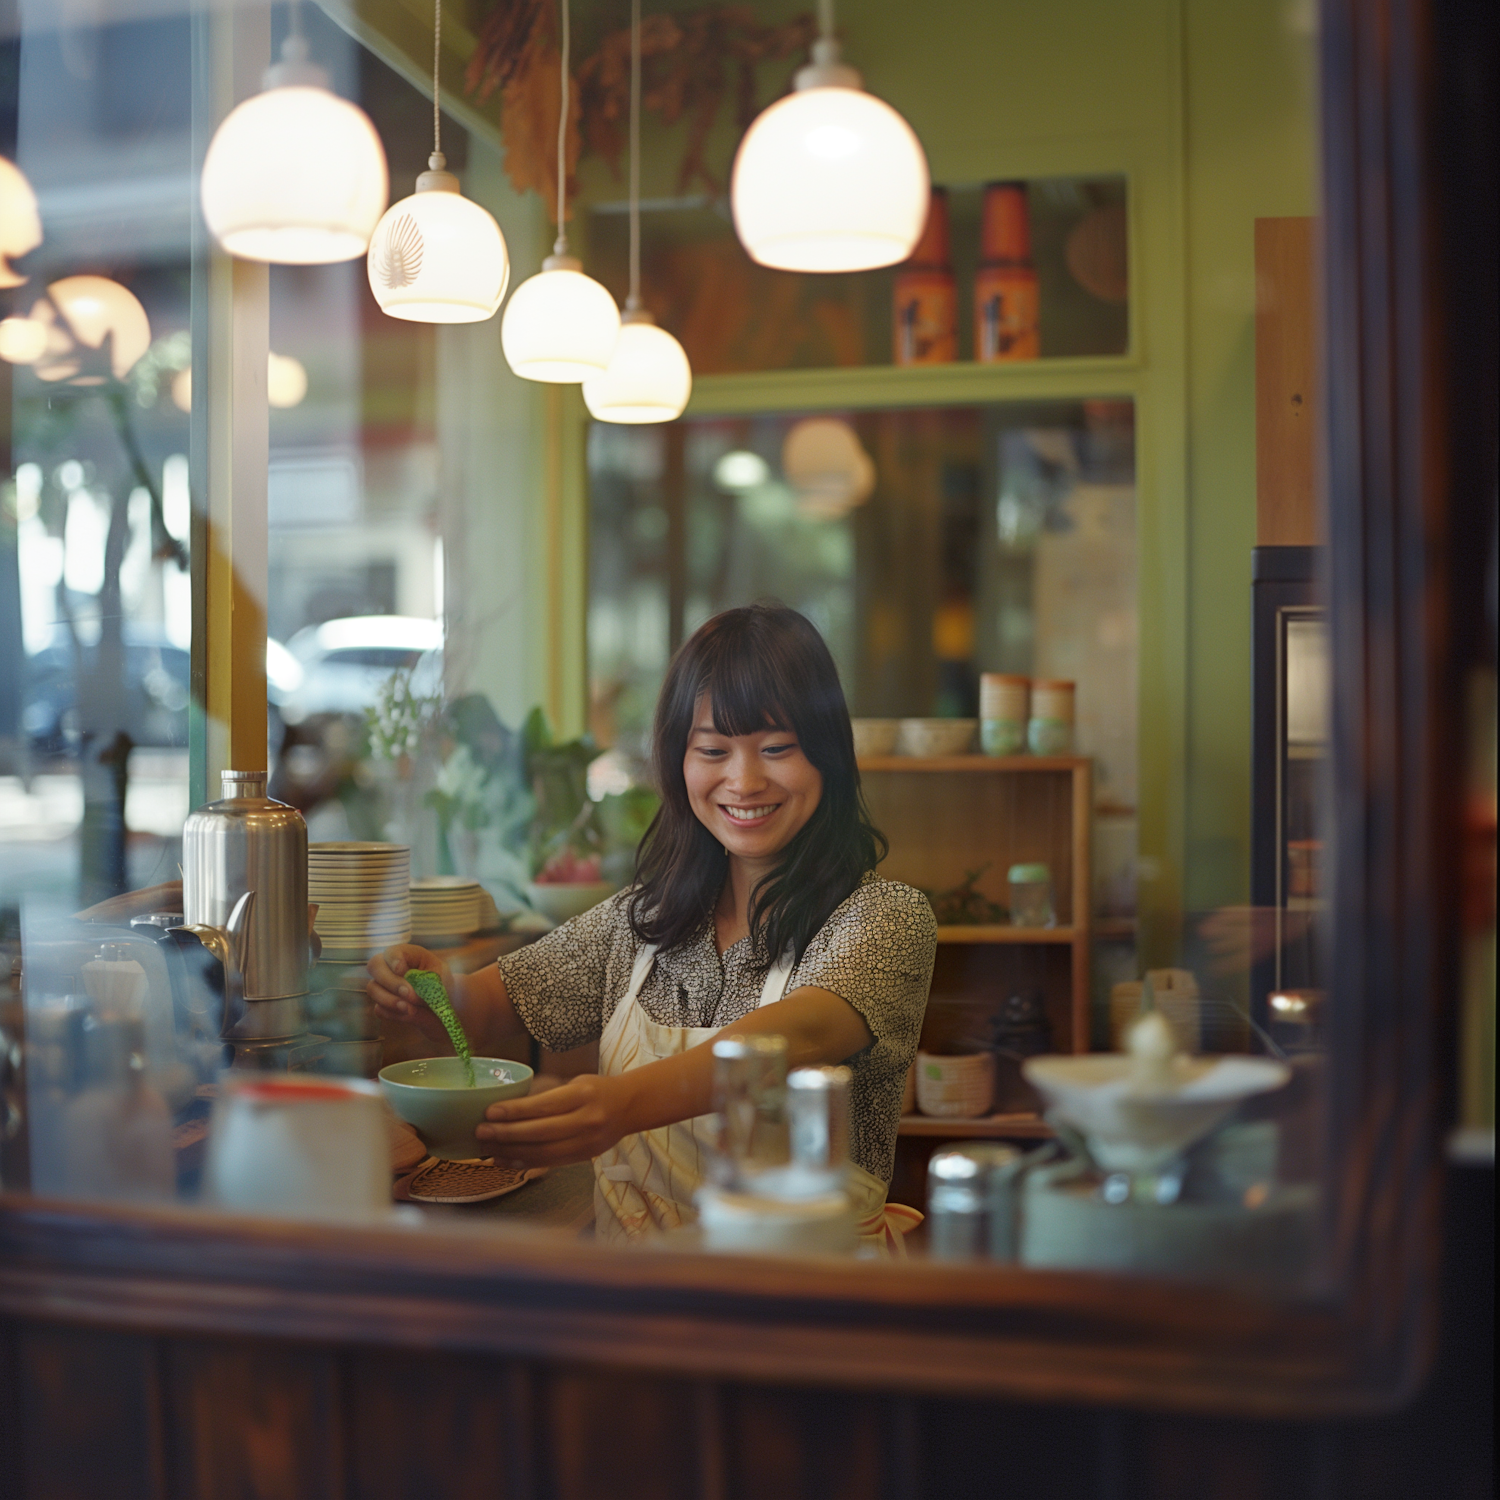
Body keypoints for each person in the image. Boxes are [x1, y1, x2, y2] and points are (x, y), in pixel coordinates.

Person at [368, 604, 937, 1248]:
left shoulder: (885, 917)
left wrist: (619, 1106)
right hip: (640, 1298)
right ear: (678, 763)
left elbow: (794, 1036)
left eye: (776, 749)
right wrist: (434, 989)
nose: (744, 781)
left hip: (801, 1302)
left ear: (828, 757)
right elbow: (498, 1008)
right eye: (713, 751)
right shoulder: (644, 922)